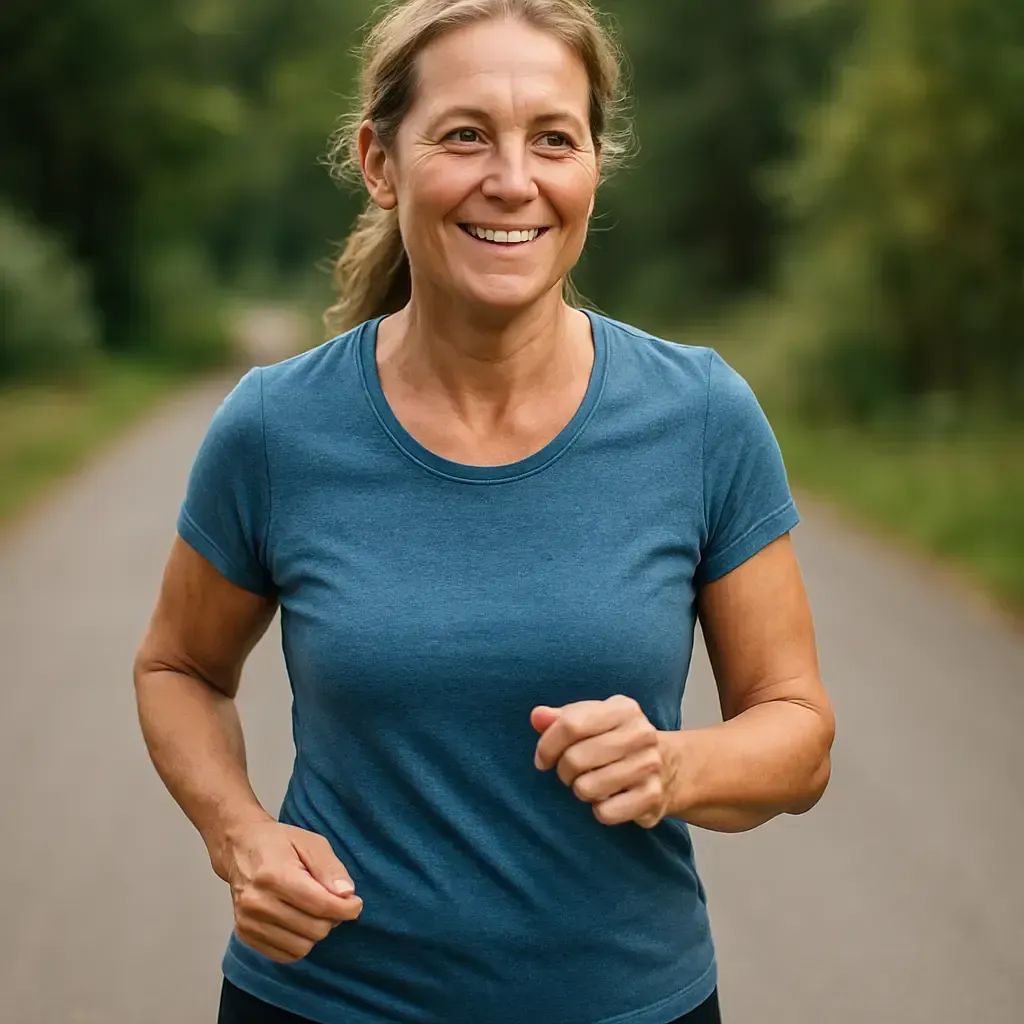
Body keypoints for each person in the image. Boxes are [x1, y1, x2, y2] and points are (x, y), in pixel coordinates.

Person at [133, 0, 835, 1021]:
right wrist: (238, 831)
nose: (513, 181)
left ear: (594, 163)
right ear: (380, 161)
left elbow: (799, 733)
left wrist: (674, 763)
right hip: (325, 1001)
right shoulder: (277, 428)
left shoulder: (699, 416)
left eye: (553, 138)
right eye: (465, 135)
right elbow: (177, 668)